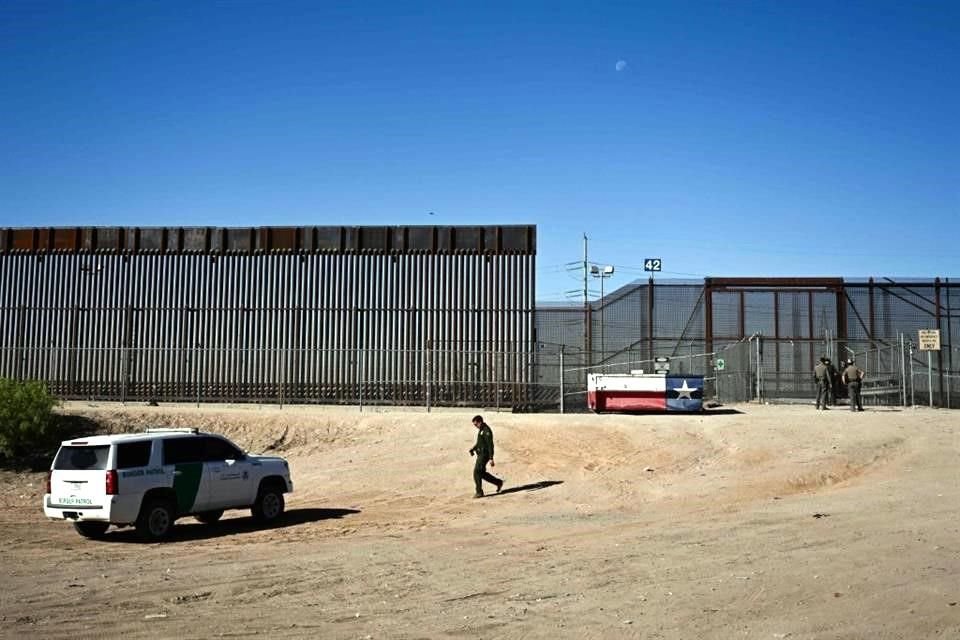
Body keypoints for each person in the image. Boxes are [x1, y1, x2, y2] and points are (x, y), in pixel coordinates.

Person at [468, 415, 503, 498]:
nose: (475, 426)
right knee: (481, 473)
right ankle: (498, 482)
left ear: (480, 422)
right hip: (480, 454)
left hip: (485, 455)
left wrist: (491, 458)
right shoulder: (481, 429)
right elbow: (480, 442)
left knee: (476, 472)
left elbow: (490, 445)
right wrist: (474, 448)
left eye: (476, 424)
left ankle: (479, 492)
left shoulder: (486, 430)